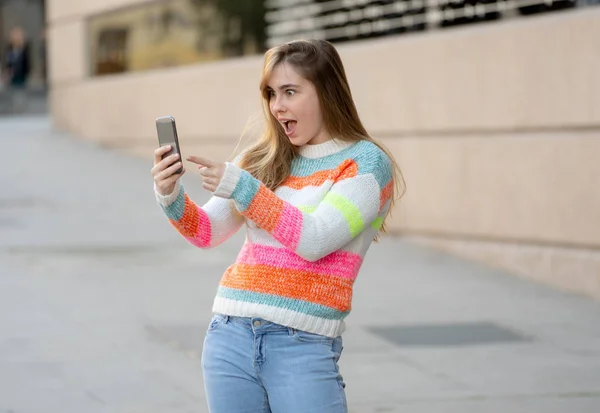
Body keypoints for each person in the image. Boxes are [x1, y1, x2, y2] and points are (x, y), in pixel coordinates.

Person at [151, 39, 405, 413]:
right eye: (271, 93)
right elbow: (205, 231)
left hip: (303, 345)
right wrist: (169, 193)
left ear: (327, 92)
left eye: (290, 91)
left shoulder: (365, 164)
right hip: (230, 336)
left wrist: (243, 186)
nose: (277, 106)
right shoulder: (261, 158)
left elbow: (315, 238)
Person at [3, 27, 31, 113]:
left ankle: (22, 108)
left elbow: (27, 63)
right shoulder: (9, 50)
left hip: (21, 75)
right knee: (13, 92)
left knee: (21, 92)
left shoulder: (24, 49)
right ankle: (15, 108)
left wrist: (26, 73)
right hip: (12, 75)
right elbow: (8, 63)